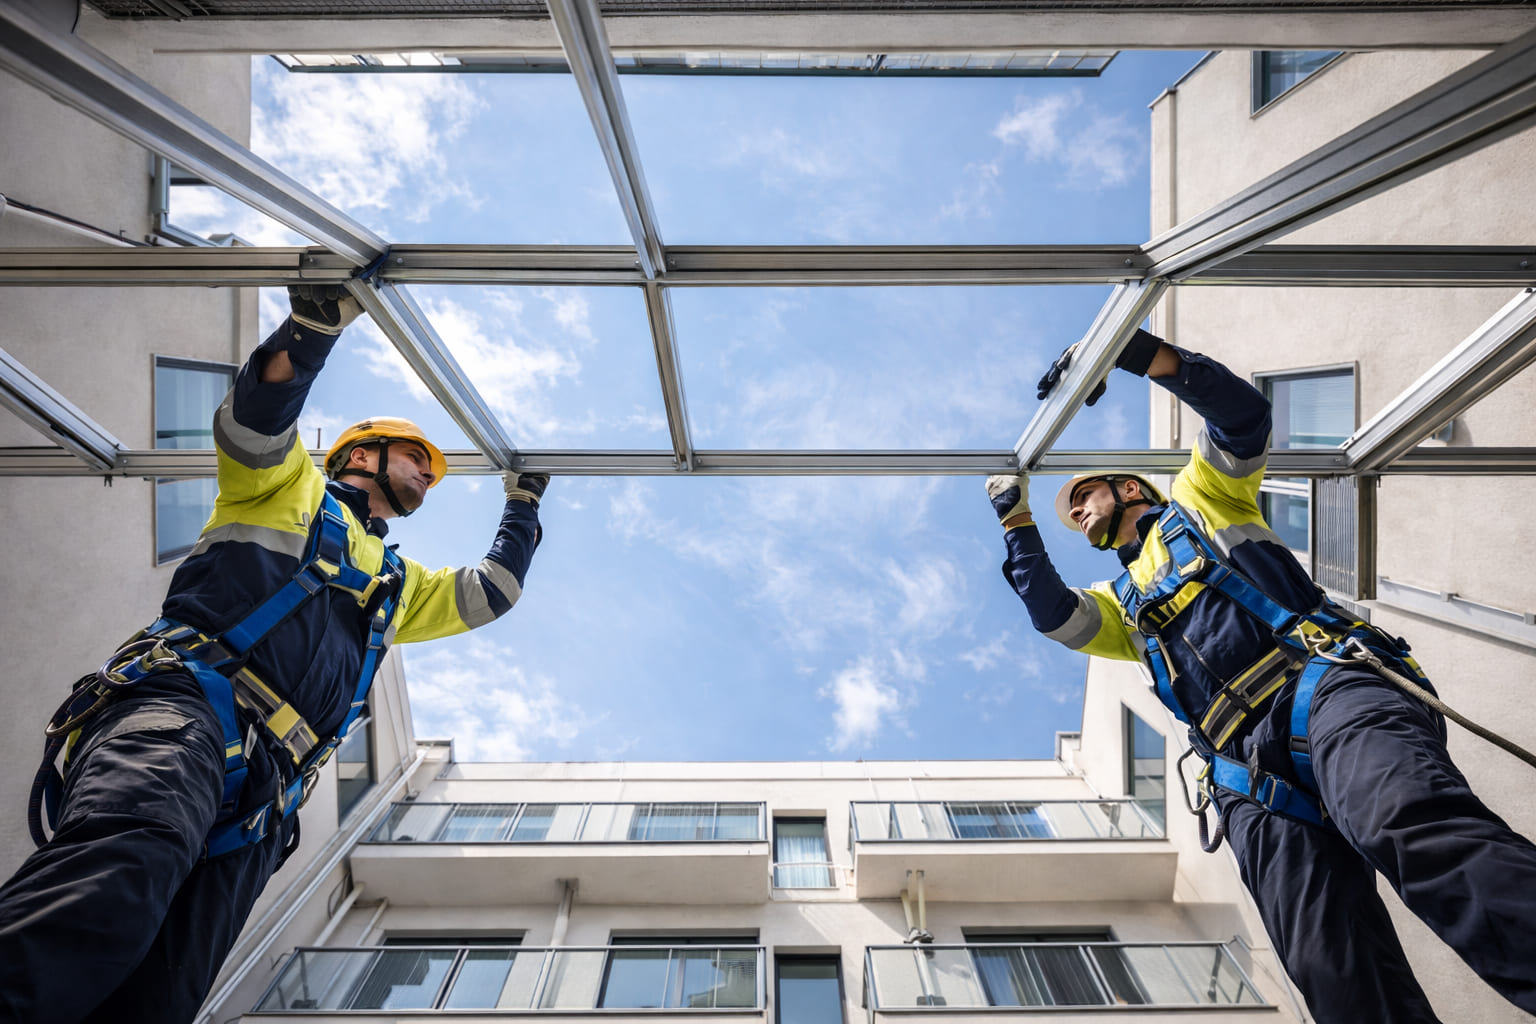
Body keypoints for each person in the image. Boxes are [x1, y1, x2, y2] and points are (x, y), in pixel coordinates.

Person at [0, 285, 549, 1023]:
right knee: (118, 878)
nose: (427, 473)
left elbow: (492, 593)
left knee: (163, 995)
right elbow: (257, 421)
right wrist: (313, 328)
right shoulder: (284, 489)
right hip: (186, 712)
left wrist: (523, 506)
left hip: (265, 801)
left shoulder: (397, 584)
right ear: (361, 454)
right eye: (417, 458)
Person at [985, 330, 1536, 1024]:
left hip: (1326, 689)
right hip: (1246, 777)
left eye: (1085, 498)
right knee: (1328, 966)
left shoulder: (1206, 500)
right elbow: (1054, 616)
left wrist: (1136, 353)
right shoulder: (1120, 608)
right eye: (1072, 513)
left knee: (1411, 827)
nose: (1079, 513)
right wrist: (1017, 523)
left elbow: (1242, 416)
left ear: (1128, 488)